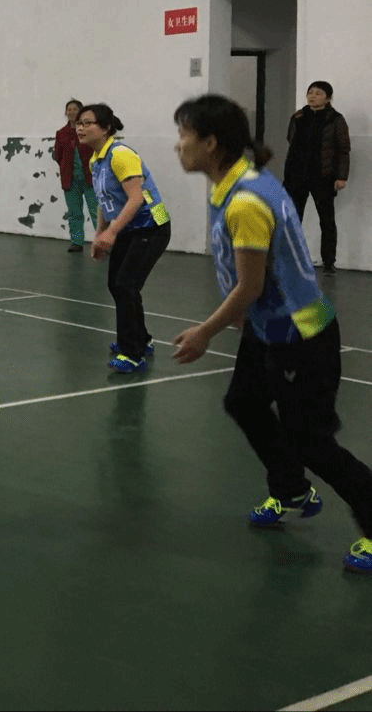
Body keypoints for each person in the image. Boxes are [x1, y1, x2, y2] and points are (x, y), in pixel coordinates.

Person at [171, 94, 372, 573]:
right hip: (268, 326)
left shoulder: (245, 200)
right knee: (244, 401)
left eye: (184, 135)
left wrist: (205, 331)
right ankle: (291, 489)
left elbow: (251, 285)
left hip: (301, 335)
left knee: (311, 441)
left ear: (211, 142)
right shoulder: (244, 181)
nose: (178, 145)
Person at [77, 103, 171, 373]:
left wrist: (112, 232)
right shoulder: (96, 160)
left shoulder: (120, 154)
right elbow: (104, 201)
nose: (80, 128)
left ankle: (132, 353)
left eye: (87, 123)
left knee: (126, 285)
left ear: (106, 128)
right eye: (78, 123)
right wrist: (99, 234)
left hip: (152, 226)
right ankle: (141, 338)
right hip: (128, 229)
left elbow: (136, 198)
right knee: (117, 284)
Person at [282, 80, 350, 276]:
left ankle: (329, 262)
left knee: (326, 220)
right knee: (293, 220)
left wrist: (341, 176)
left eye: (318, 93)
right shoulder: (298, 117)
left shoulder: (336, 119)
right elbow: (291, 140)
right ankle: (291, 260)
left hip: (323, 176)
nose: (313, 96)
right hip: (297, 175)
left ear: (327, 98)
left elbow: (343, 150)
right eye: (310, 92)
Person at [54, 98, 98, 252]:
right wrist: (66, 167)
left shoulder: (89, 130)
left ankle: (102, 242)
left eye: (75, 109)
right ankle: (76, 242)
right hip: (70, 180)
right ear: (66, 113)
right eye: (69, 109)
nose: (72, 112)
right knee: (74, 212)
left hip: (90, 178)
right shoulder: (61, 133)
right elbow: (58, 155)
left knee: (97, 212)